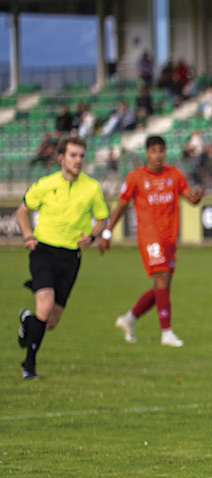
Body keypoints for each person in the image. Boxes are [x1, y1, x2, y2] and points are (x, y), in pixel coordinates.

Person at [16, 136, 109, 379]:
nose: (78, 160)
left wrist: (92, 236)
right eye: (73, 155)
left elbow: (101, 219)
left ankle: (28, 320)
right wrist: (27, 235)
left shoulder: (91, 187)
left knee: (50, 321)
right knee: (44, 305)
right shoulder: (46, 184)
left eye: (81, 156)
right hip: (44, 251)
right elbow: (22, 211)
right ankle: (29, 366)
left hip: (71, 257)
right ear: (61, 158)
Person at [106, 136, 205, 347]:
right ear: (146, 153)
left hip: (169, 238)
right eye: (153, 151)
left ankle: (129, 319)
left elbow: (191, 199)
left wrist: (197, 196)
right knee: (162, 279)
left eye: (161, 150)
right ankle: (166, 333)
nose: (158, 155)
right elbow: (122, 205)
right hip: (149, 236)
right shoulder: (135, 177)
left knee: (162, 286)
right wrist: (107, 233)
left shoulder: (174, 174)